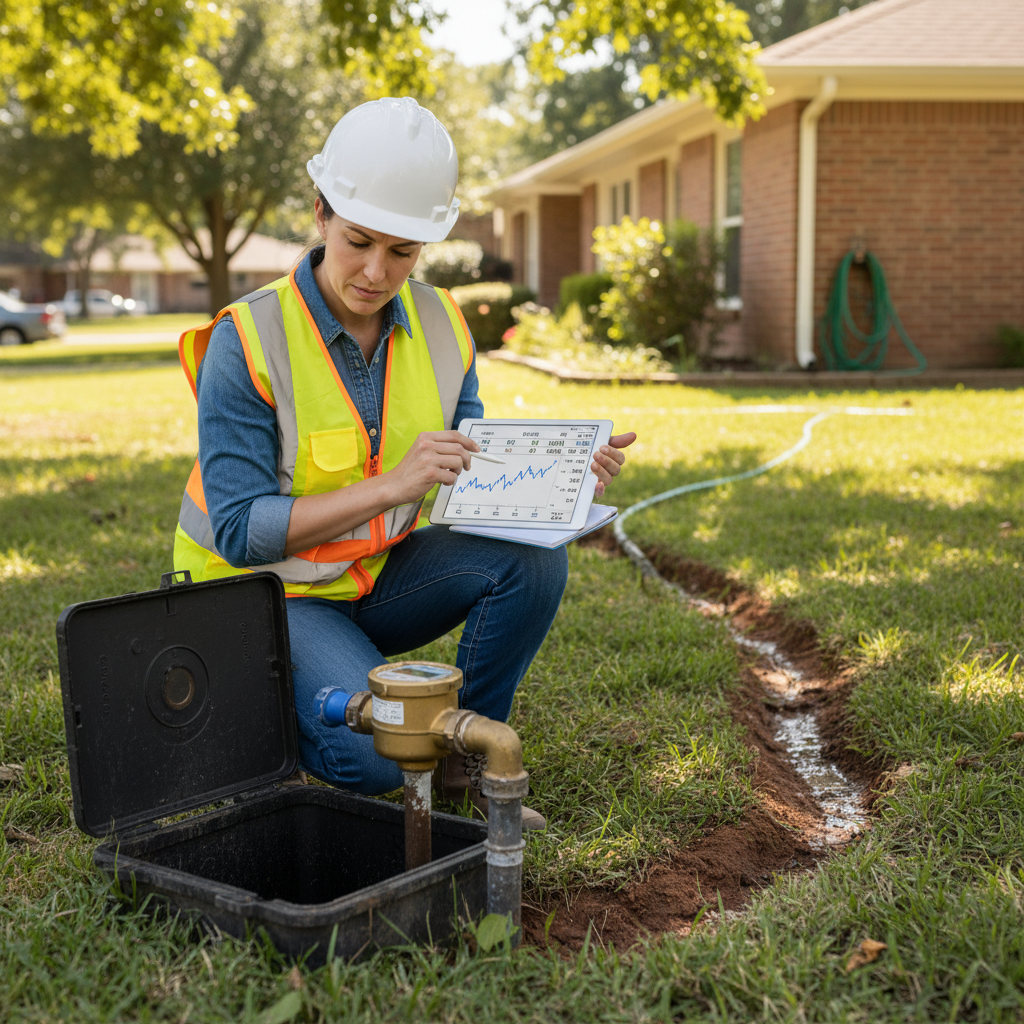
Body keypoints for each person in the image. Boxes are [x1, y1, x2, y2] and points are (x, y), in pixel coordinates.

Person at [173, 97, 635, 829]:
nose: (376, 272)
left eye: (403, 252)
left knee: (534, 563)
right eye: (359, 241)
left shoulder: (444, 324)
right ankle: (265, 715)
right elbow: (237, 530)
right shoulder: (249, 339)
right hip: (260, 601)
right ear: (320, 213)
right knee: (382, 758)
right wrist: (392, 486)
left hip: (369, 584)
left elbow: (470, 462)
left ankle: (467, 760)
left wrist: (565, 474)